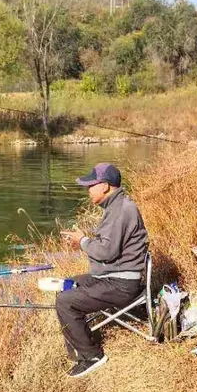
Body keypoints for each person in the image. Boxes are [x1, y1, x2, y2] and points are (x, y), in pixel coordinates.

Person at [56, 162, 149, 379]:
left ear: (105, 186)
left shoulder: (121, 210)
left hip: (120, 284)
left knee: (65, 301)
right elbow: (109, 247)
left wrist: (83, 241)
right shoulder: (116, 207)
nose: (87, 190)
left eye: (91, 185)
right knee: (67, 284)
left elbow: (106, 252)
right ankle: (78, 346)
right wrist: (84, 241)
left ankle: (92, 356)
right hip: (113, 277)